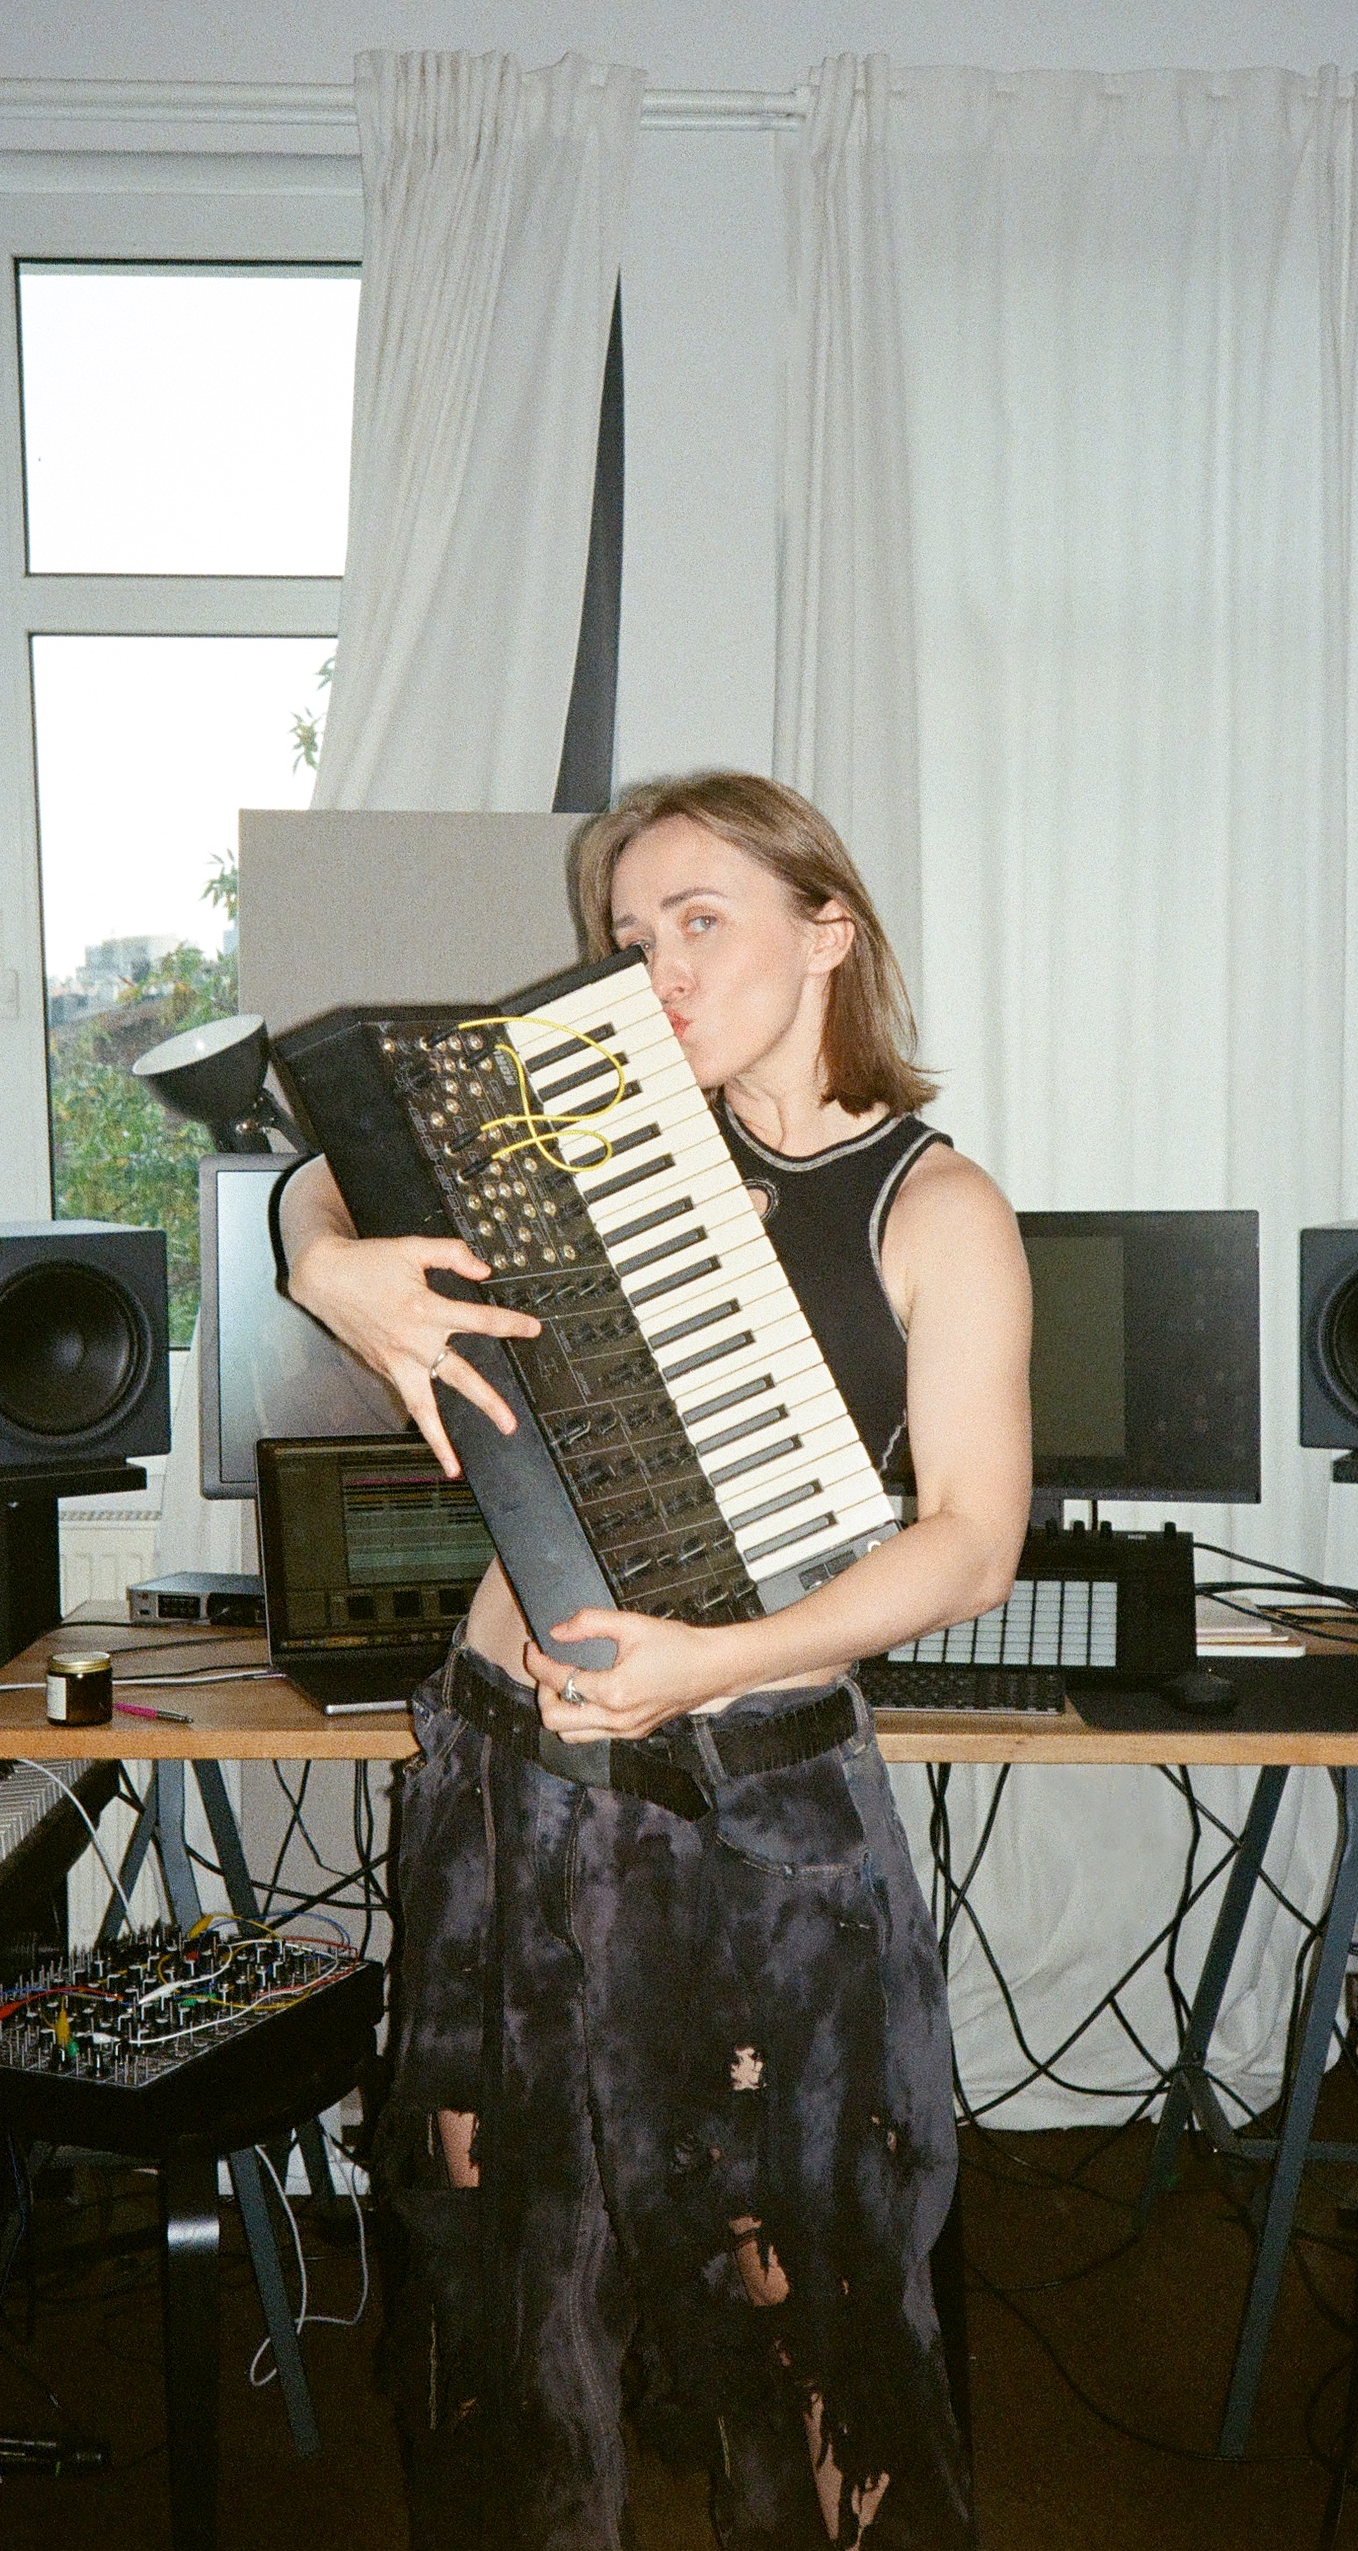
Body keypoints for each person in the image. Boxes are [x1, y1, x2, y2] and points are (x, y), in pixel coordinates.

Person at [279, 772, 1031, 2549]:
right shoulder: (595, 1140)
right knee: (507, 2257)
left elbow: (972, 1543)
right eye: (630, 935)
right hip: (510, 1785)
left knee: (805, 2279)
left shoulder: (936, 1207)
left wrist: (709, 1662)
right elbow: (343, 1142)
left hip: (759, 1810)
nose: (657, 969)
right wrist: (335, 1271)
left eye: (703, 920)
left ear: (826, 927)